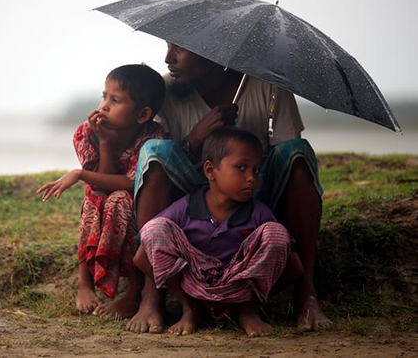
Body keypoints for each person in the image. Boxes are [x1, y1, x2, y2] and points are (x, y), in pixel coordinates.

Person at [127, 43, 330, 333]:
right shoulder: (168, 89)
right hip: (192, 194)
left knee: (298, 151)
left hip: (252, 196)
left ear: (215, 52)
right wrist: (194, 142)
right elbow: (167, 165)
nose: (168, 58)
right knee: (154, 150)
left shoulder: (267, 85)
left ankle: (305, 292)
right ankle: (152, 295)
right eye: (168, 47)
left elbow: (284, 160)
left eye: (180, 49)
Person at [134, 127, 293, 337]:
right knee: (155, 229)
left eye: (256, 169)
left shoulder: (258, 213)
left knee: (276, 234)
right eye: (241, 167)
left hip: (240, 287)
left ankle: (248, 312)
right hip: (191, 286)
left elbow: (294, 266)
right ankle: (191, 310)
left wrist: (248, 300)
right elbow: (142, 256)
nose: (251, 178)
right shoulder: (186, 206)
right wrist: (186, 297)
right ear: (210, 171)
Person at [36, 64, 167, 317]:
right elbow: (99, 182)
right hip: (101, 197)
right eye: (104, 95)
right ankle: (84, 283)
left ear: (142, 114)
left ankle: (134, 290)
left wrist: (79, 173)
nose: (104, 105)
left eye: (115, 100)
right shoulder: (88, 133)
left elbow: (131, 182)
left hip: (137, 203)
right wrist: (104, 141)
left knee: (119, 200)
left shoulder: (153, 138)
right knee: (95, 198)